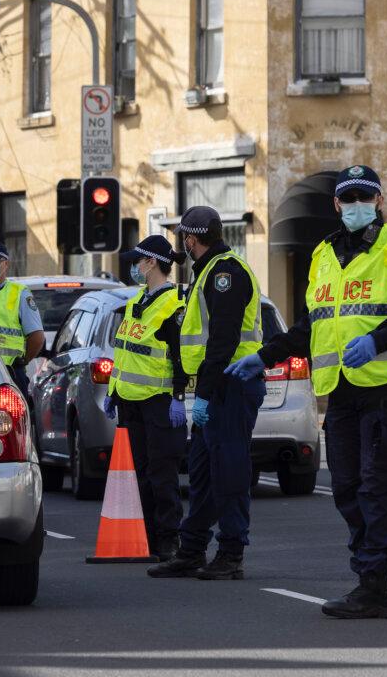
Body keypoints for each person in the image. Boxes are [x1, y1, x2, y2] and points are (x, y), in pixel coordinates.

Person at [227, 165, 387, 619]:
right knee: (346, 488)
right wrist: (264, 356)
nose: (358, 205)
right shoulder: (323, 254)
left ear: (379, 201)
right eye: (350, 198)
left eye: (366, 197)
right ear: (337, 204)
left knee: (376, 489)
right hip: (341, 392)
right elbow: (312, 325)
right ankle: (369, 576)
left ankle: (375, 586)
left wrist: (378, 340)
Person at [147, 206, 265, 580]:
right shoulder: (208, 272)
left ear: (191, 239)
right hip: (216, 386)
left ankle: (231, 553)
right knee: (202, 472)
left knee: (229, 471)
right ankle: (192, 549)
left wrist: (206, 394)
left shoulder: (224, 273)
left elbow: (223, 341)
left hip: (230, 385)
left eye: (183, 237)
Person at [103, 235, 188, 560]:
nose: (134, 267)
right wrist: (113, 391)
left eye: (137, 261)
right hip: (130, 401)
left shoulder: (174, 305)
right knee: (139, 475)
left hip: (159, 401)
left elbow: (180, 357)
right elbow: (125, 351)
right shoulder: (138, 300)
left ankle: (168, 539)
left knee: (161, 475)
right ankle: (147, 537)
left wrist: (178, 395)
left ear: (151, 263)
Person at [0, 241, 45, 394]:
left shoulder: (19, 293)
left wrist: (23, 361)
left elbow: (37, 337)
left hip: (10, 373)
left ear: (5, 264)